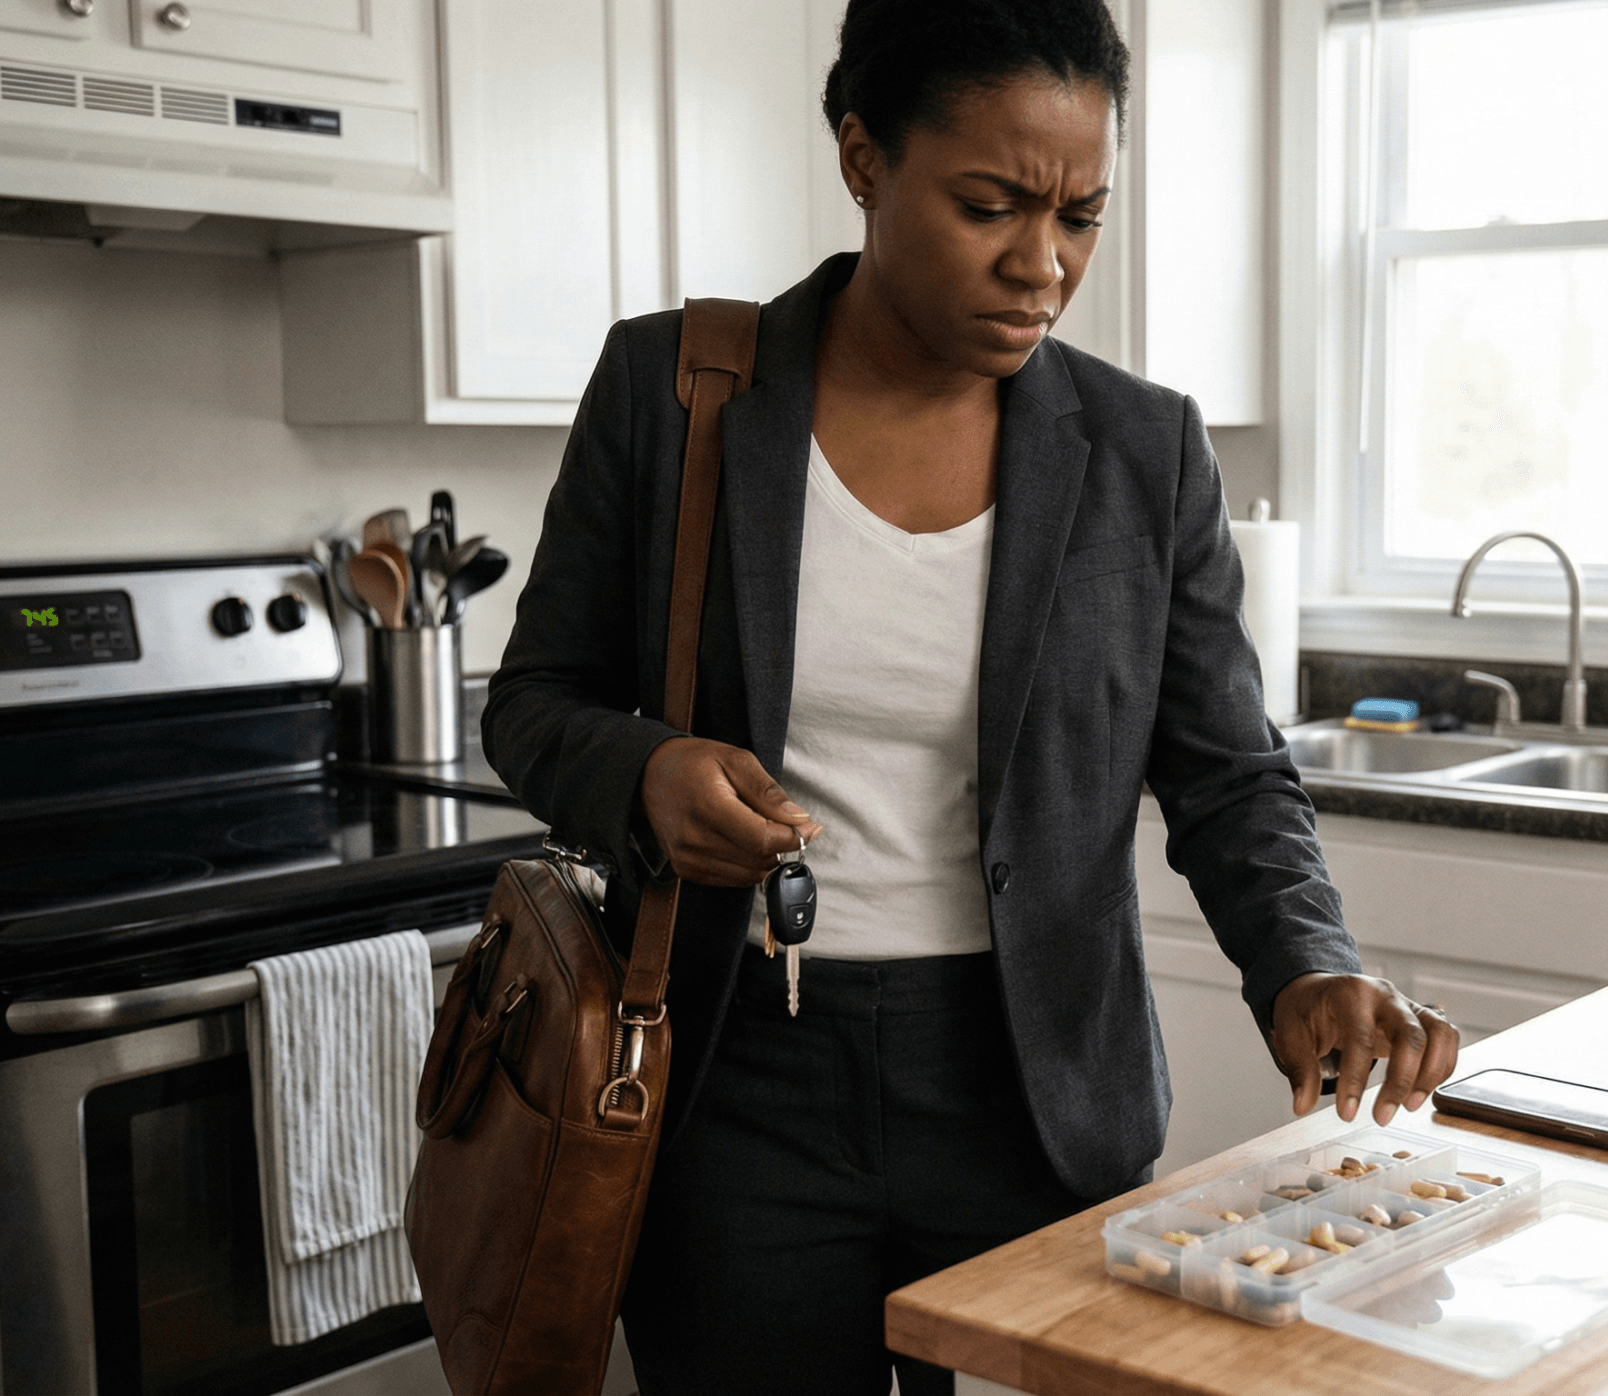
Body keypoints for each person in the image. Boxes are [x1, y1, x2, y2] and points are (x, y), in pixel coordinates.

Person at [483, 0, 1458, 1389]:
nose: (1042, 266)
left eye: (1081, 217)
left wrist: (1308, 962)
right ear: (865, 159)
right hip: (734, 1077)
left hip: (1036, 1086)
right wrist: (642, 774)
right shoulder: (682, 387)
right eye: (991, 205)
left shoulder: (1142, 449)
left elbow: (1229, 772)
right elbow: (532, 704)